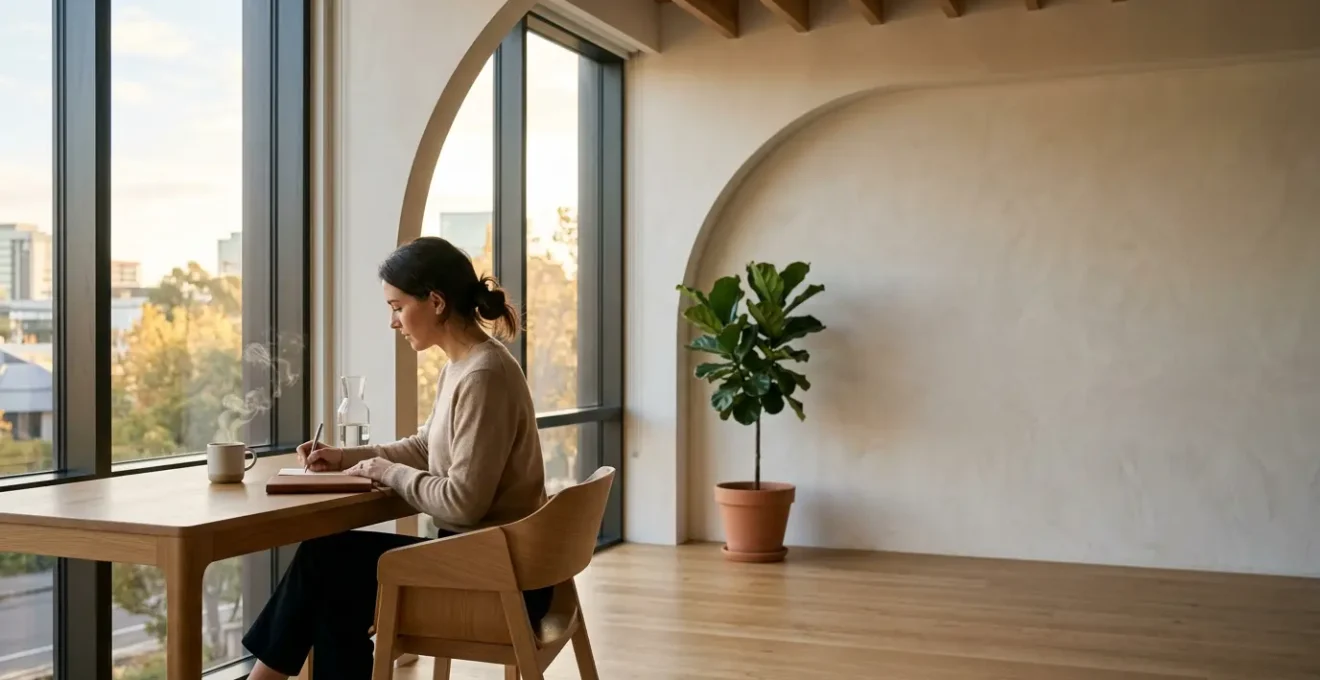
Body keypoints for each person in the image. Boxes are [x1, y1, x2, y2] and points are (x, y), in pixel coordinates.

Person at [243, 236, 552, 680]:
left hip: (498, 582)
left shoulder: (484, 375)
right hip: (487, 563)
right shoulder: (463, 366)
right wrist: (347, 457)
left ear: (436, 302)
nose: (393, 322)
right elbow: (427, 448)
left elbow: (465, 502)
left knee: (328, 563)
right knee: (333, 572)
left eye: (397, 306)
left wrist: (387, 470)